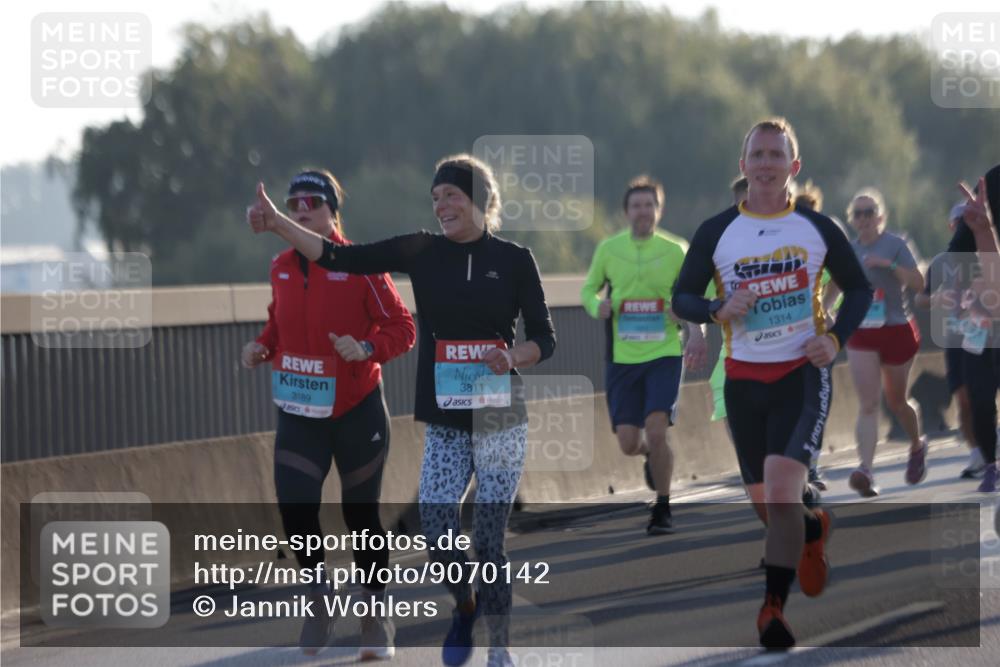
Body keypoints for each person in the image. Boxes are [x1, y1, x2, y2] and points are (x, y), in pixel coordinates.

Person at [248, 154, 556, 667]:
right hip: (445, 419)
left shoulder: (516, 258)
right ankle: (464, 606)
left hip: (500, 412)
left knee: (486, 539)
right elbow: (336, 257)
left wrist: (511, 356)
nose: (441, 206)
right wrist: (278, 223)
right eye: (435, 198)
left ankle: (501, 649)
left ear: (479, 199)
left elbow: (545, 338)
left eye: (451, 196)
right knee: (438, 532)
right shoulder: (421, 250)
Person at [672, 117, 872, 649]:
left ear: (793, 167)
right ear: (743, 166)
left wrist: (835, 340)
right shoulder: (718, 231)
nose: (765, 164)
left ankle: (772, 612)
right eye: (756, 155)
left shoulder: (817, 229)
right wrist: (718, 306)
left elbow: (859, 289)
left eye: (775, 155)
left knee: (782, 493)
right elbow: (682, 297)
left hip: (801, 375)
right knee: (769, 507)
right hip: (742, 381)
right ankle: (811, 529)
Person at [242, 169, 416, 659]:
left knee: (361, 517)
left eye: (312, 202)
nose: (301, 208)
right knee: (295, 506)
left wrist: (365, 347)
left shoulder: (361, 264)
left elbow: (403, 327)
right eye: (294, 201)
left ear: (333, 214)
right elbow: (281, 321)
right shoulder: (279, 265)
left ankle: (375, 613)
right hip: (300, 410)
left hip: (357, 410)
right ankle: (320, 598)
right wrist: (261, 345)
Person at [580, 175, 707, 535]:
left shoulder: (675, 249)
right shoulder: (608, 248)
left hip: (664, 352)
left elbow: (692, 296)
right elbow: (589, 290)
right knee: (628, 443)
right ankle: (652, 456)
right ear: (626, 212)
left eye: (649, 205)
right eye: (636, 205)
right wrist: (596, 306)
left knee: (656, 429)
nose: (643, 212)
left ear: (659, 209)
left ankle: (662, 507)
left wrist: (689, 323)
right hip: (622, 357)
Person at [825, 189, 927, 497]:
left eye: (870, 212)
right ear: (852, 220)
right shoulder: (848, 251)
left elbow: (920, 282)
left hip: (896, 328)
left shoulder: (896, 244)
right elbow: (831, 291)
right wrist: (829, 316)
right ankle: (865, 470)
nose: (864, 218)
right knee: (868, 403)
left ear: (880, 217)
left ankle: (916, 444)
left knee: (896, 401)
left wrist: (889, 265)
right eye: (858, 213)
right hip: (862, 333)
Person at [914, 203, 982, 479]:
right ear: (951, 226)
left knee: (986, 397)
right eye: (958, 222)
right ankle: (978, 455)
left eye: (969, 220)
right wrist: (937, 298)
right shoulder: (941, 262)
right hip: (956, 337)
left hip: (989, 336)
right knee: (964, 398)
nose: (963, 226)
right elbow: (920, 298)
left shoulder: (990, 254)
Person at [952, 164, 1000, 491]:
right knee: (979, 396)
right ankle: (991, 463)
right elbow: (958, 252)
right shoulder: (993, 182)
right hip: (982, 316)